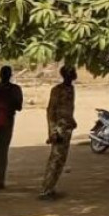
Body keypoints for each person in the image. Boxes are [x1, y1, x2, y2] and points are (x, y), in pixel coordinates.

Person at [39, 66, 77, 200]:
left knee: (61, 160)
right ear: (66, 74)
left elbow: (67, 109)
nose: (75, 74)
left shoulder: (71, 89)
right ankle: (45, 190)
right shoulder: (57, 90)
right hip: (59, 130)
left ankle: (51, 188)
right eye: (72, 72)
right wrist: (52, 131)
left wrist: (72, 120)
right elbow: (51, 111)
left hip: (67, 129)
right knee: (55, 160)